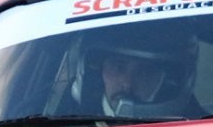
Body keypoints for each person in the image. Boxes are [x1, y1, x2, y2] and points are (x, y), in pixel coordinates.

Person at [71, 20, 204, 121]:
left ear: (167, 81)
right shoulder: (64, 123)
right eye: (118, 68)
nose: (128, 83)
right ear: (100, 71)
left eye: (145, 72)